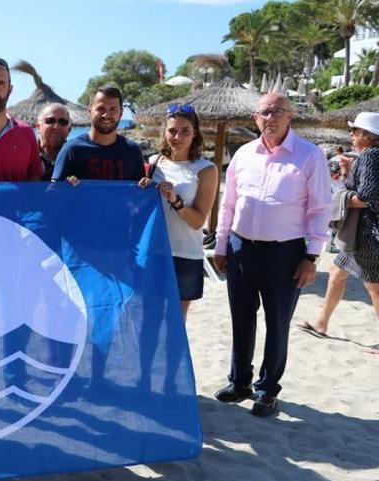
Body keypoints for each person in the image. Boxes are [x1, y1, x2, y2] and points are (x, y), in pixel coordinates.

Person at [212, 92, 332, 416]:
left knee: (277, 323)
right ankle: (239, 382)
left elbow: (321, 209)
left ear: (290, 116)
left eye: (278, 111)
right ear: (255, 117)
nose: (271, 117)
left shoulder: (309, 155)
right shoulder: (243, 154)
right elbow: (229, 203)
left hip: (286, 253)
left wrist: (312, 257)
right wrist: (222, 245)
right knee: (241, 318)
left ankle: (267, 390)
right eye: (264, 112)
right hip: (241, 248)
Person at [297, 112, 379, 337]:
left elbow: (366, 197)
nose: (351, 134)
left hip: (368, 235)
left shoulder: (370, 156)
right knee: (336, 272)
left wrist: (336, 199)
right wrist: (347, 172)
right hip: (362, 234)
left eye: (355, 131)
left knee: (374, 288)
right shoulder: (370, 156)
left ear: (368, 135)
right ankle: (321, 323)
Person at [138, 104, 217, 322]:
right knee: (148, 320)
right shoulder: (154, 163)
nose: (177, 137)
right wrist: (142, 191)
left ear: (195, 134)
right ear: (164, 132)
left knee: (175, 324)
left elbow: (199, 220)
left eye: (185, 131)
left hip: (185, 255)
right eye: (172, 131)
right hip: (153, 252)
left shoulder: (206, 169)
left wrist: (176, 201)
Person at [53, 86, 145, 182]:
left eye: (112, 109)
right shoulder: (71, 150)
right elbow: (54, 193)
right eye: (101, 109)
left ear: (121, 113)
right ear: (89, 111)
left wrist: (147, 185)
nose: (106, 115)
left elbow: (141, 193)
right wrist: (65, 187)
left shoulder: (132, 151)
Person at [35, 103, 72, 181]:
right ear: (38, 127)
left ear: (69, 130)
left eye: (62, 122)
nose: (56, 127)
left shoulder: (76, 158)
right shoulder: (26, 156)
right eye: (50, 121)